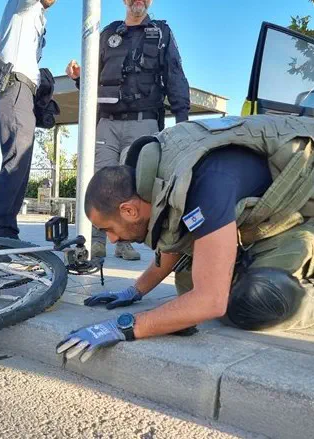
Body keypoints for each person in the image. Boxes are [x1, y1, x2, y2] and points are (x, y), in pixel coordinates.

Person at [56, 114, 314, 363]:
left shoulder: (203, 183)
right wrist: (136, 291)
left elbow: (210, 302)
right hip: (262, 225)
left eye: (106, 228)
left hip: (302, 226)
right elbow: (176, 238)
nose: (107, 237)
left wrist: (125, 326)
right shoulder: (159, 174)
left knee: (255, 302)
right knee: (188, 282)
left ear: (128, 209)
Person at [65, 0, 190, 260]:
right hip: (107, 122)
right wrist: (78, 77)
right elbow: (92, 79)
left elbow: (175, 75)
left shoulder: (161, 34)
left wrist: (182, 120)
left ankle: (125, 240)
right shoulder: (108, 33)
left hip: (143, 121)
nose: (138, 1)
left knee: (132, 184)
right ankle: (95, 238)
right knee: (97, 180)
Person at [0, 0, 56, 239]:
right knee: (16, 160)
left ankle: (7, 232)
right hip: (14, 86)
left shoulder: (38, 15)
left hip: (23, 91)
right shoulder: (23, 5)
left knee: (21, 164)